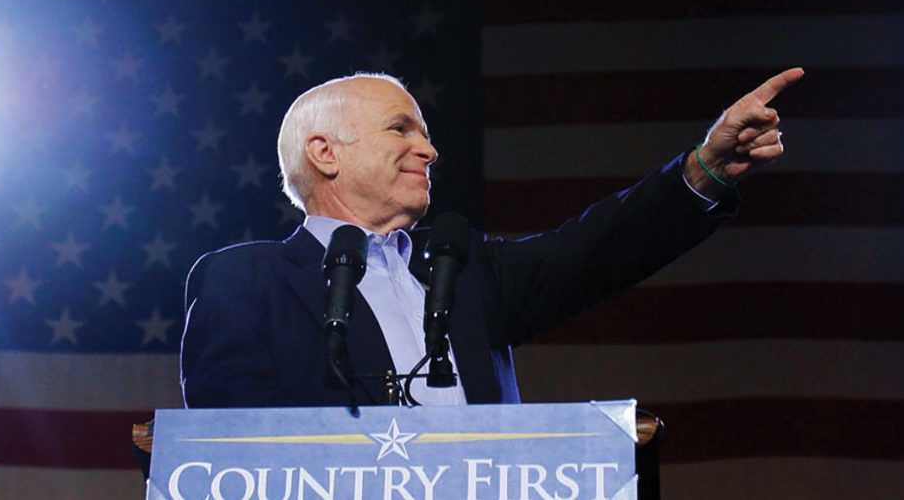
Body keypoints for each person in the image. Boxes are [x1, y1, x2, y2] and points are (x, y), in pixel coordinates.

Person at [180, 68, 803, 408]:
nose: (428, 149)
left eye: (424, 134)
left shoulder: (462, 267)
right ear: (324, 152)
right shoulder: (242, 281)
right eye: (401, 129)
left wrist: (703, 168)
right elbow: (228, 450)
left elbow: (599, 247)